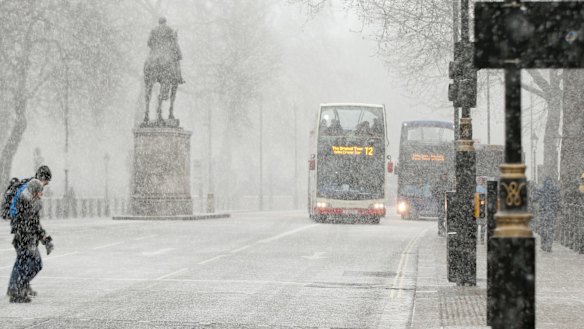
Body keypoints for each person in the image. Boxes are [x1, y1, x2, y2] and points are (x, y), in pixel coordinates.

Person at [6, 179, 53, 303]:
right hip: (23, 241)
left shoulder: (32, 203)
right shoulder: (25, 203)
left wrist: (45, 238)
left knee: (28, 265)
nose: (41, 194)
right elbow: (27, 225)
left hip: (27, 240)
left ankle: (17, 289)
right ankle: (17, 290)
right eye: (40, 192)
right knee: (30, 265)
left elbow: (35, 224)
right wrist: (30, 239)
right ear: (34, 192)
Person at [147, 17, 185, 85]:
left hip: (155, 53)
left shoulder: (154, 30)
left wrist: (155, 47)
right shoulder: (169, 30)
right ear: (165, 22)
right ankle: (179, 77)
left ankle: (148, 75)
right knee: (177, 61)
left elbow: (149, 43)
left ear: (159, 22)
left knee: (148, 62)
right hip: (166, 53)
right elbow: (174, 43)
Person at [534, 177, 560, 252]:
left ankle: (543, 244)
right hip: (552, 212)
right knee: (551, 229)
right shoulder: (555, 189)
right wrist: (557, 208)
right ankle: (549, 245)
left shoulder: (541, 189)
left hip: (543, 212)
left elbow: (535, 198)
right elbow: (558, 200)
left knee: (543, 228)